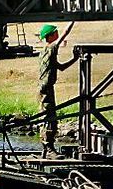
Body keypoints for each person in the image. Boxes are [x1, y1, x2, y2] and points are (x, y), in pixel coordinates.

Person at [38, 22, 77, 157]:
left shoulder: (45, 52)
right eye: (55, 32)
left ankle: (47, 148)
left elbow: (61, 67)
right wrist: (73, 20)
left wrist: (75, 59)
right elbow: (65, 33)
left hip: (47, 88)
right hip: (46, 89)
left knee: (50, 118)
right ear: (50, 36)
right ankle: (48, 148)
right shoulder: (50, 48)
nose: (58, 34)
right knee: (48, 118)